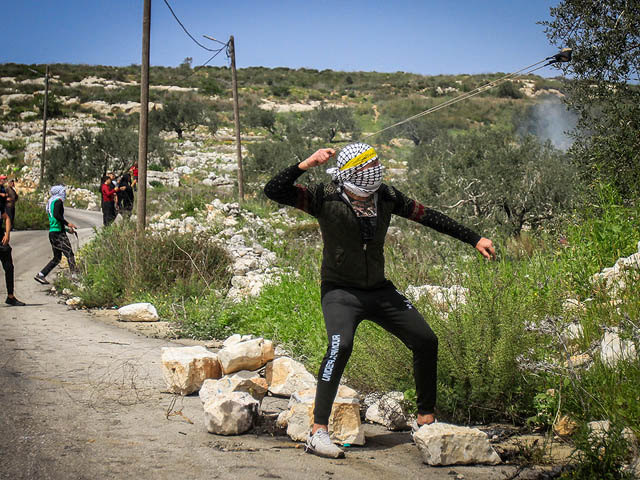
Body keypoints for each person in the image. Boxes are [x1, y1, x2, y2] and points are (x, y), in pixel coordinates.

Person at [264, 143, 495, 459]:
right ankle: (318, 432)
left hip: (379, 290)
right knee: (339, 346)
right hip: (340, 292)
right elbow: (274, 190)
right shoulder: (323, 197)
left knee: (426, 340)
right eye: (363, 181)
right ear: (348, 178)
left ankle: (425, 419)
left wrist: (474, 238)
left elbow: (427, 216)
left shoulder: (385, 195)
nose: (368, 189)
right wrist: (306, 163)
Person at [34, 185, 78, 285]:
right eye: (63, 191)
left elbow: (54, 220)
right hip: (58, 233)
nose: (64, 194)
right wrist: (68, 224)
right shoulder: (58, 201)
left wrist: (66, 229)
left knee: (57, 258)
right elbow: (57, 216)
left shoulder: (51, 202)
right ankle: (74, 277)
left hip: (53, 232)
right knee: (69, 254)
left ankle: (41, 274)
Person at [1, 201, 26, 306]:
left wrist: (7, 234)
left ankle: (10, 297)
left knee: (9, 268)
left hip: (1, 241)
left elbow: (6, 218)